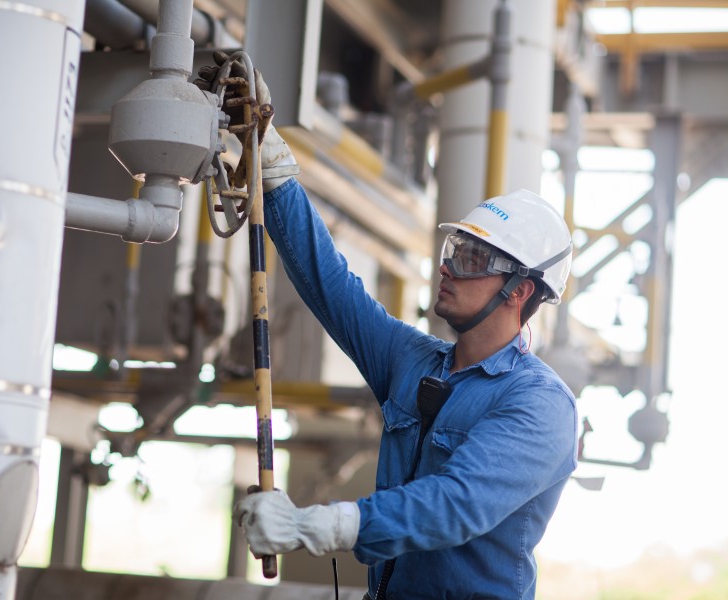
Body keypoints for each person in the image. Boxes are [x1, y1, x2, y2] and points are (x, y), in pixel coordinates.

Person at [196, 57, 578, 600]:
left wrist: (317, 525)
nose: (447, 267)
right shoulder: (413, 360)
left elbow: (454, 505)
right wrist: (269, 156)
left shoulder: (541, 406)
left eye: (471, 260)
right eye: (453, 250)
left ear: (518, 291)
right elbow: (333, 288)